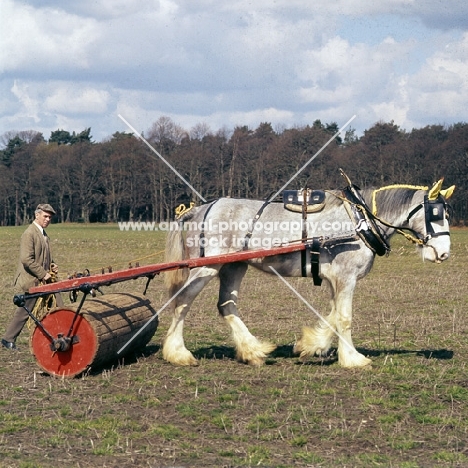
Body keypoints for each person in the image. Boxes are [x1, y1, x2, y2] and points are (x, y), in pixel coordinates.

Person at [2, 204, 63, 350]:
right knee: (24, 311)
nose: (48, 219)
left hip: (44, 280)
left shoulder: (43, 234)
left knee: (58, 305)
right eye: (45, 216)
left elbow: (45, 256)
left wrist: (52, 265)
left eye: (50, 217)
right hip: (31, 280)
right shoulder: (29, 233)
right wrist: (43, 273)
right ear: (37, 215)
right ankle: (7, 339)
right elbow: (26, 259)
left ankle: (60, 334)